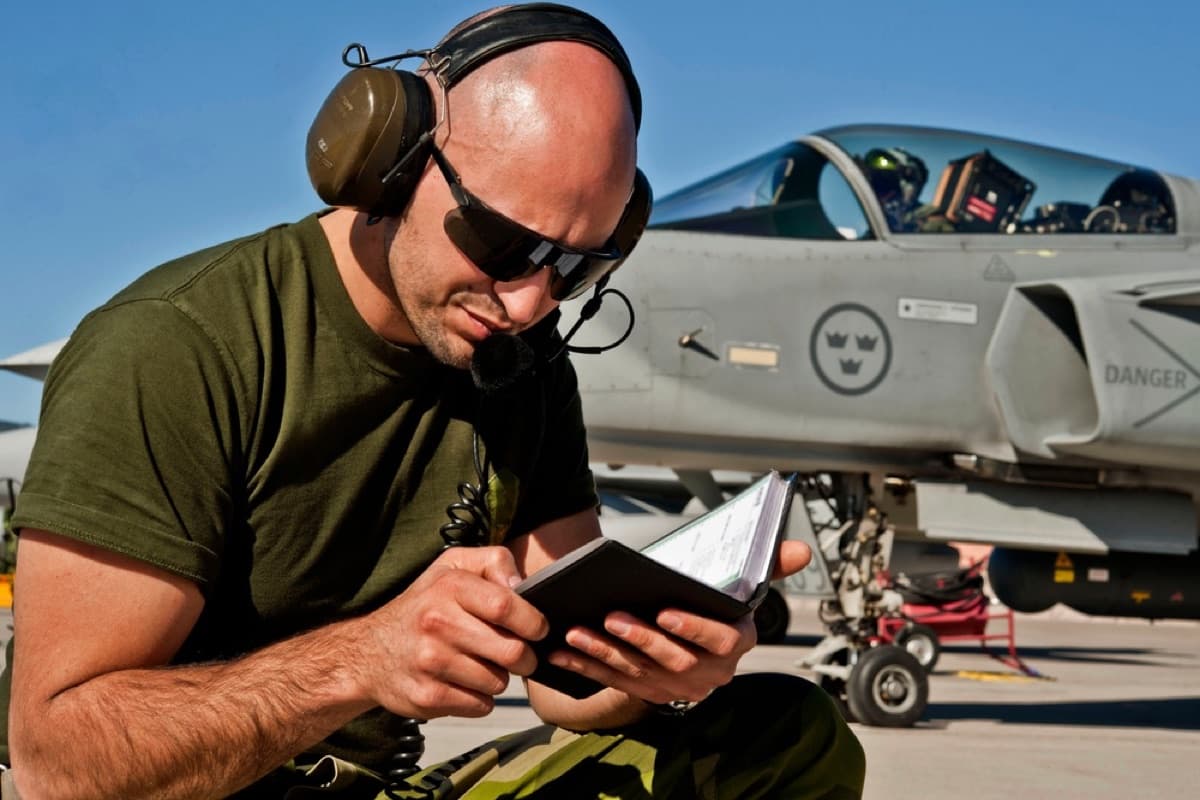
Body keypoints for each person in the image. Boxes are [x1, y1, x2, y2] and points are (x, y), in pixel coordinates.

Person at [1, 5, 865, 798]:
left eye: (575, 267)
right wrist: (360, 660)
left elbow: (563, 690)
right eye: (500, 241)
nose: (530, 302)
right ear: (390, 164)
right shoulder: (178, 345)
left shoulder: (522, 363)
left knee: (782, 737)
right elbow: (56, 759)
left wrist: (654, 665)